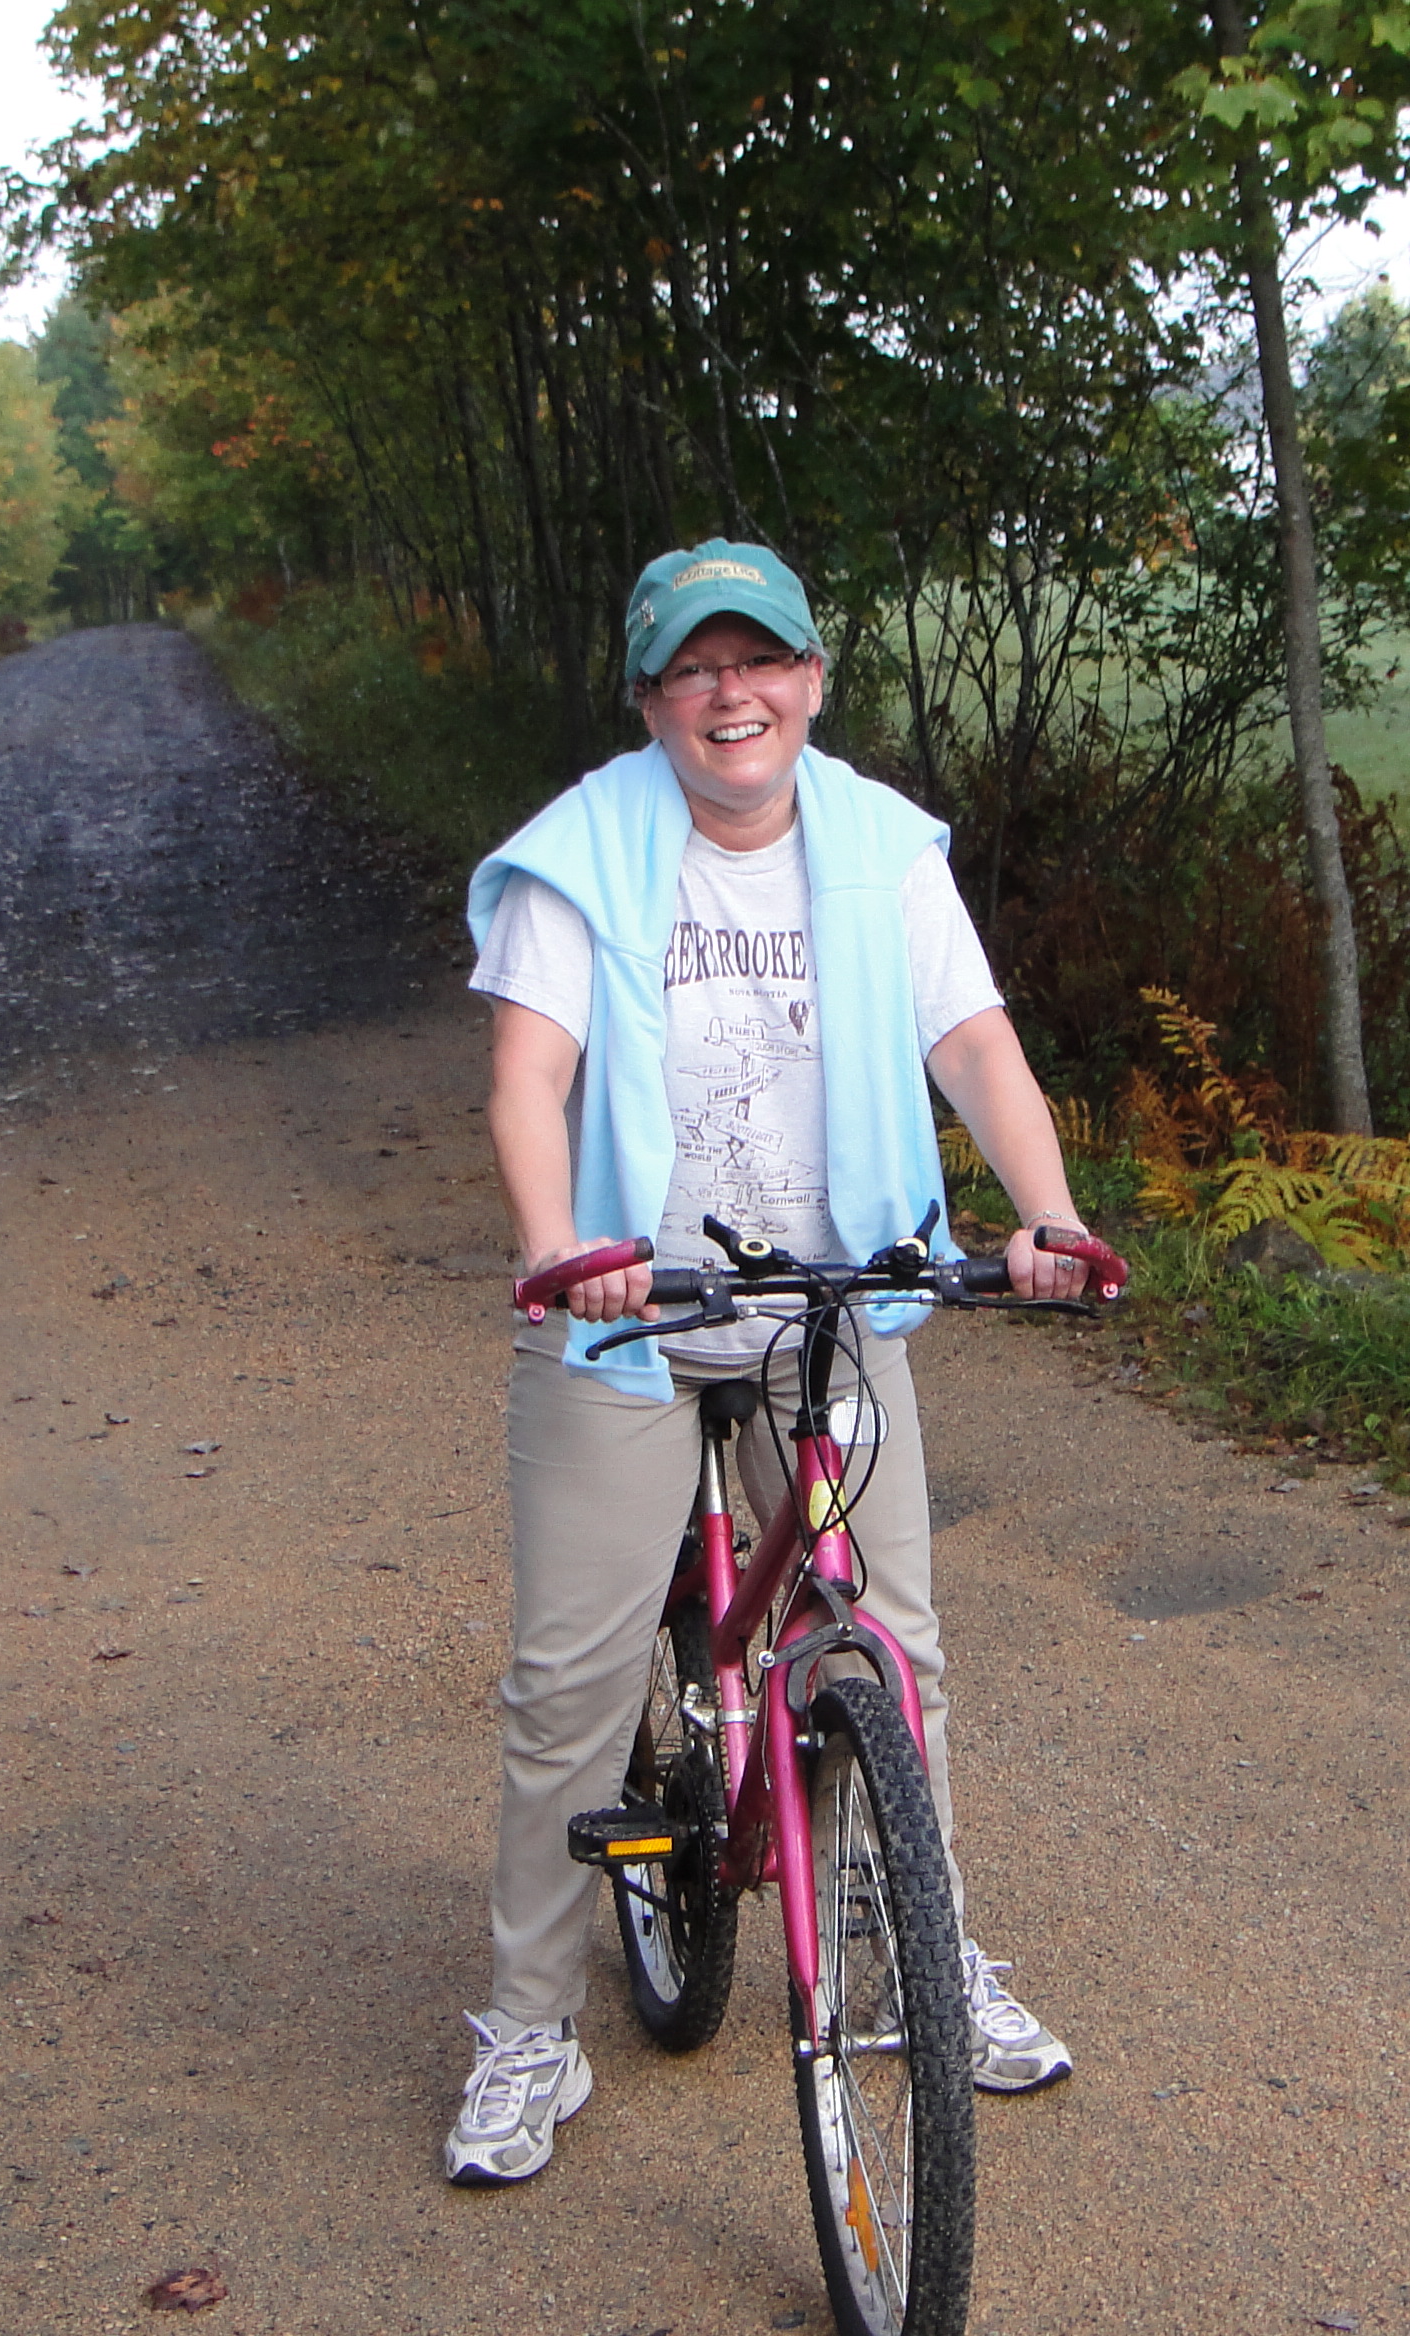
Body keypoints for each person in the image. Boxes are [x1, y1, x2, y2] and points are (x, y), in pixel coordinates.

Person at [448, 537, 1096, 2187]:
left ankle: (920, 1963)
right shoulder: (581, 856)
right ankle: (528, 2026)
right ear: (649, 699)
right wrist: (559, 1247)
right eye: (694, 667)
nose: (730, 694)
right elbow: (529, 1079)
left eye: (760, 661)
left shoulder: (883, 850)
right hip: (628, 1313)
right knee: (572, 1685)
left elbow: (974, 1046)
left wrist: (1046, 1212)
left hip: (830, 1298)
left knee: (890, 1651)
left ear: (811, 680)